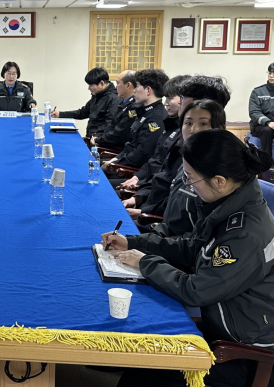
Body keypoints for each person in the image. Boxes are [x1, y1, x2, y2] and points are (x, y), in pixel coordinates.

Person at [103, 129, 274, 387]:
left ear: (219, 181)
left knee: (148, 365)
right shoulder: (228, 205)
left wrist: (144, 262)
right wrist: (134, 242)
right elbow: (191, 246)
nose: (188, 185)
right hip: (223, 326)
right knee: (146, 346)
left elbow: (197, 291)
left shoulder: (245, 233)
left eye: (190, 178)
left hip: (244, 353)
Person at [149, 76, 232, 238]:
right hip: (165, 229)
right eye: (188, 123)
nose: (193, 129)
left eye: (183, 98)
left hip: (176, 241)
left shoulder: (220, 163)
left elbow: (197, 237)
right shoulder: (189, 148)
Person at [124, 100, 226, 224]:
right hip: (156, 217)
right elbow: (172, 195)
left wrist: (144, 212)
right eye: (188, 123)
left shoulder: (218, 166)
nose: (193, 130)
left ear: (219, 128)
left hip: (168, 228)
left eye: (203, 124)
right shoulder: (185, 157)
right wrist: (140, 201)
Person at [118, 75, 190, 192]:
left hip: (151, 187)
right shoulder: (170, 124)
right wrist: (137, 177)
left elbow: (165, 175)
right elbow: (155, 160)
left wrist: (140, 190)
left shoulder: (158, 119)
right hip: (146, 182)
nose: (166, 103)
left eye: (170, 98)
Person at [103, 69, 169, 176]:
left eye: (137, 86)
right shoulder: (144, 111)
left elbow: (142, 154)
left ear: (148, 90)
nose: (134, 90)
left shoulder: (155, 118)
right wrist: (116, 158)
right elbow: (132, 145)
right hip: (129, 162)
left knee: (98, 172)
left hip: (137, 171)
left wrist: (117, 163)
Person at [51, 67, 120, 137]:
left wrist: (96, 138)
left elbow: (110, 125)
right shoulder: (97, 95)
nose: (89, 88)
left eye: (91, 85)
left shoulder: (113, 99)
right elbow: (82, 113)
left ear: (101, 83)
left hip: (98, 140)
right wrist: (60, 114)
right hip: (91, 137)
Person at [91, 70, 137, 149]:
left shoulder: (134, 106)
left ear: (128, 85)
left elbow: (119, 134)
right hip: (107, 143)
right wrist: (98, 135)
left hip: (116, 149)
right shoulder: (123, 102)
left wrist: (99, 140)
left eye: (118, 83)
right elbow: (110, 124)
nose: (116, 87)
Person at [248, 62, 274, 157]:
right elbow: (254, 112)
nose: (271, 76)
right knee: (267, 130)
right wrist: (268, 122)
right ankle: (267, 160)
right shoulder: (258, 92)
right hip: (261, 126)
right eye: (270, 72)